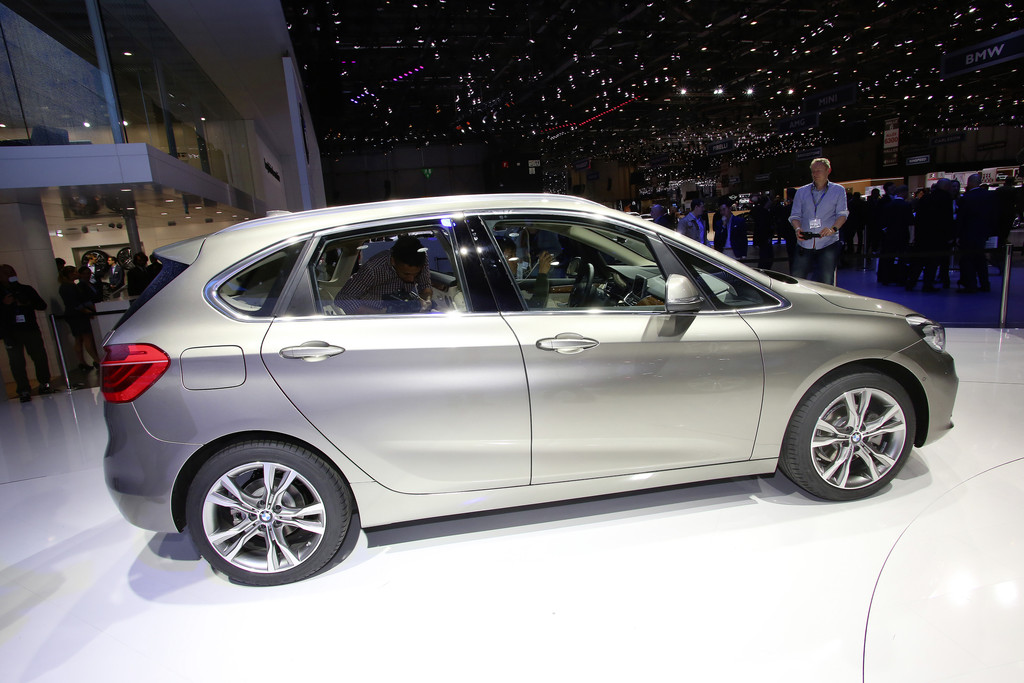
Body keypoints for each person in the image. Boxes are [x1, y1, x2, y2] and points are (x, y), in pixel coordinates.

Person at [335, 235, 433, 314]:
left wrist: (426, 302)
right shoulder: (373, 269)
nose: (411, 279)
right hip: (376, 316)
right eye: (406, 274)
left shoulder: (421, 258)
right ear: (393, 261)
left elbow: (425, 285)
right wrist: (379, 313)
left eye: (415, 274)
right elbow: (343, 299)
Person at [788, 158, 848, 285]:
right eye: (813, 171)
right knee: (797, 279)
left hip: (828, 242)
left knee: (826, 280)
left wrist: (833, 229)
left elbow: (842, 214)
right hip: (805, 242)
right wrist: (797, 229)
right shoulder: (802, 192)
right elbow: (795, 215)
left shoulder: (838, 190)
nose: (815, 174)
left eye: (819, 171)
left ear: (828, 171)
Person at [0, 264, 53, 401]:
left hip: (30, 329)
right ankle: (23, 390)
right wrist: (5, 304)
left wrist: (27, 302)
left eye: (12, 271)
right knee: (16, 362)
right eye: (6, 272)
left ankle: (44, 383)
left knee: (39, 357)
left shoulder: (25, 289)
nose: (10, 274)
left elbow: (42, 305)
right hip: (10, 332)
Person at [907, 179, 954, 292]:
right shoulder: (946, 198)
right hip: (937, 236)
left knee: (918, 261)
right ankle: (928, 284)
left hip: (923, 236)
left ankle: (911, 283)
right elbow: (947, 219)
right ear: (946, 187)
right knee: (932, 262)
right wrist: (949, 235)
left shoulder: (926, 197)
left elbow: (918, 217)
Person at [957, 173, 997, 293]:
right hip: (982, 233)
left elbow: (961, 218)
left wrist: (957, 234)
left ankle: (971, 284)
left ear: (969, 183)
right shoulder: (989, 196)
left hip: (967, 234)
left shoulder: (966, 197)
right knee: (981, 260)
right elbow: (994, 215)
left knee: (968, 260)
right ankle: (985, 284)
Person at [58, 265, 101, 371]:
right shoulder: (69, 287)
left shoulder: (67, 286)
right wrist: (87, 311)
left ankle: (82, 362)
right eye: (75, 272)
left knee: (79, 339)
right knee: (87, 337)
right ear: (70, 274)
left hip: (73, 314)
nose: (77, 274)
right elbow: (75, 303)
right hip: (77, 315)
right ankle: (96, 360)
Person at [498, 236, 552, 308]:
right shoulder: (498, 288)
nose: (516, 261)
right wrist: (542, 273)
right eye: (511, 256)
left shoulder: (502, 283)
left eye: (515, 255)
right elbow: (536, 306)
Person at [877, 185, 914, 285]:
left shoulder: (888, 205)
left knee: (889, 257)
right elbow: (910, 222)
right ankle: (901, 278)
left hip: (890, 235)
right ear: (904, 193)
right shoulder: (906, 205)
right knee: (902, 257)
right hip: (902, 235)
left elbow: (883, 222)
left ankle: (886, 278)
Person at [749, 194, 774, 269]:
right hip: (763, 237)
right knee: (765, 257)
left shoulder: (763, 211)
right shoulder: (761, 212)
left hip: (764, 237)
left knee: (766, 257)